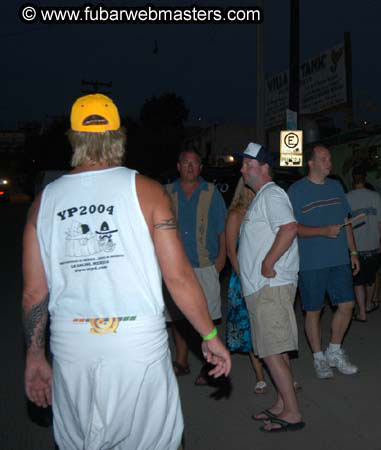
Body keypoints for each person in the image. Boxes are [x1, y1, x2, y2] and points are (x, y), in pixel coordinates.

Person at [23, 93, 231, 450]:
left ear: (73, 137)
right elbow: (178, 277)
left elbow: (33, 294)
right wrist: (210, 336)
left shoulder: (45, 201)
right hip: (137, 341)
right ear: (118, 135)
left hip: (72, 343)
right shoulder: (148, 191)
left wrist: (34, 356)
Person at [237, 143, 304, 432]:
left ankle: (292, 413)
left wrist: (268, 262)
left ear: (264, 167)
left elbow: (289, 228)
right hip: (263, 289)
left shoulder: (273, 194)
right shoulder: (262, 197)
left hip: (270, 287)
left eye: (247, 165)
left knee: (272, 351)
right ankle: (281, 403)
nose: (242, 170)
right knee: (274, 349)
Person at [288, 145, 360, 379]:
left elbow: (345, 222)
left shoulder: (336, 186)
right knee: (313, 311)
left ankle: (334, 351)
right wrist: (322, 231)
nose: (329, 162)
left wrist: (353, 252)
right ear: (311, 163)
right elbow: (292, 228)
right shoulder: (297, 191)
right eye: (324, 159)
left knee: (347, 304)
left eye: (329, 158)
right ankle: (319, 358)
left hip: (339, 259)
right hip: (311, 262)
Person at [164, 150, 227, 385]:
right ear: (178, 166)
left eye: (195, 163)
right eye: (186, 163)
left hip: (205, 264)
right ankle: (181, 360)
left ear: (201, 167)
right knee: (177, 317)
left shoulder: (211, 193)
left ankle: (208, 365)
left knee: (207, 318)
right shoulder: (166, 192)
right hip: (175, 266)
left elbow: (222, 228)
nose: (190, 167)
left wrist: (222, 257)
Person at [224, 178, 267, 393]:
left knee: (268, 326)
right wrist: (243, 278)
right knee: (250, 329)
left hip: (265, 277)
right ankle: (260, 376)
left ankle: (281, 374)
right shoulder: (236, 214)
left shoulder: (263, 209)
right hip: (243, 278)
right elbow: (232, 252)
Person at [346, 165, 381, 322]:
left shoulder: (347, 197)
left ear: (353, 179)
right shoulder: (374, 196)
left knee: (358, 280)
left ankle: (362, 312)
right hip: (372, 245)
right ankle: (369, 304)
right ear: (365, 178)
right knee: (370, 279)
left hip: (356, 248)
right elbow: (380, 221)